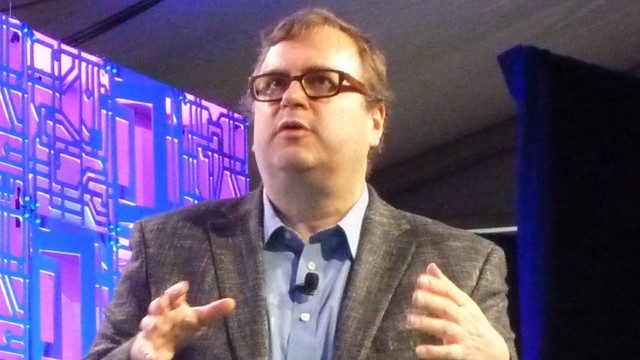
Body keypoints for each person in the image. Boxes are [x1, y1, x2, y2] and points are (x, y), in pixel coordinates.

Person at [85, 8, 517, 360]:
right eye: (271, 85)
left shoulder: (464, 266)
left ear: (376, 121)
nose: (290, 98)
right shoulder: (167, 244)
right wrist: (139, 354)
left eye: (322, 82)